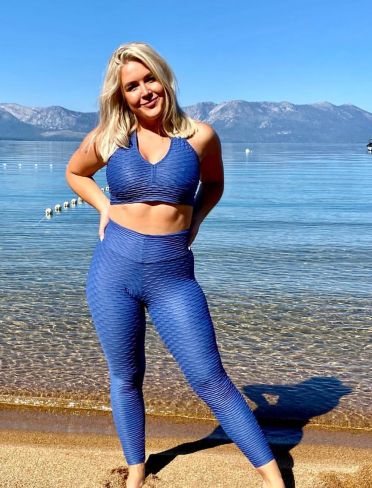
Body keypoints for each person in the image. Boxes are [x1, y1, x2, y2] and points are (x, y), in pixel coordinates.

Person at [66, 42, 284, 488]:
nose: (144, 91)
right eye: (132, 86)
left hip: (172, 276)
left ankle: (274, 480)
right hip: (113, 271)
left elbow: (215, 183)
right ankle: (136, 471)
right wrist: (104, 207)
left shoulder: (200, 136)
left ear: (164, 78)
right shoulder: (110, 137)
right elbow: (75, 172)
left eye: (150, 79)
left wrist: (196, 219)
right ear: (121, 95)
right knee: (126, 377)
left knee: (210, 379)